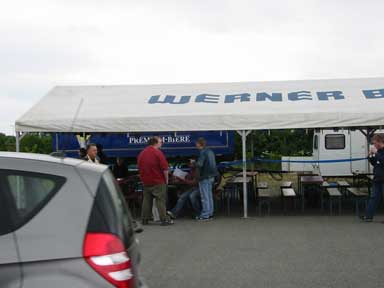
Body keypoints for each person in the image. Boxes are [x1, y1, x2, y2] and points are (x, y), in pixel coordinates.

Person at [137, 136, 173, 226]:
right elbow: (165, 169)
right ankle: (164, 220)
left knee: (146, 200)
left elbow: (139, 167)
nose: (161, 144)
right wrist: (166, 180)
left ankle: (144, 219)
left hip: (146, 181)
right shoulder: (158, 153)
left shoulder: (142, 153)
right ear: (155, 143)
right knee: (160, 200)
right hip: (158, 181)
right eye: (160, 142)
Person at [360, 134, 384, 222]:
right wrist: (370, 156)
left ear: (380, 142)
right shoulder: (379, 151)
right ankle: (368, 216)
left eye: (375, 143)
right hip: (377, 178)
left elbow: (382, 160)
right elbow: (375, 163)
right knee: (373, 197)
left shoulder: (380, 152)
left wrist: (376, 153)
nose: (374, 145)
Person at [195, 137, 218, 221]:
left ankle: (205, 215)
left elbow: (200, 165)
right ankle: (210, 213)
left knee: (204, 197)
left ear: (199, 144)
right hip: (211, 176)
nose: (195, 145)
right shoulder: (210, 151)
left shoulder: (202, 153)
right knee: (209, 196)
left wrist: (194, 163)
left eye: (196, 143)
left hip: (204, 176)